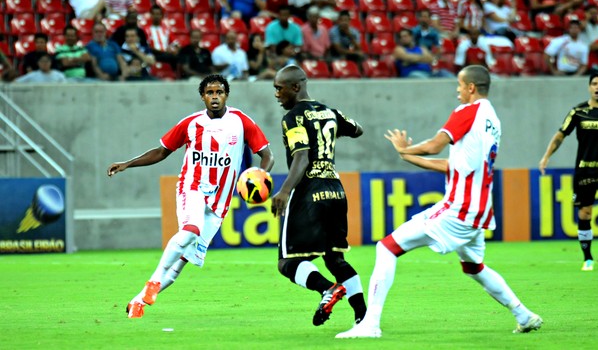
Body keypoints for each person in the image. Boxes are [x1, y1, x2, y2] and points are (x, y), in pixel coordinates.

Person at [336, 65, 543, 339]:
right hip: (479, 210)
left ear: (471, 87)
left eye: (459, 84)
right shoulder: (492, 119)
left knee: (386, 248)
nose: (457, 90)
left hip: (457, 209)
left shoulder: (467, 112)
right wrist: (409, 157)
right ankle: (523, 315)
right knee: (474, 267)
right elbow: (453, 163)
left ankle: (370, 324)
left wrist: (405, 148)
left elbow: (435, 145)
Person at [108, 74, 275, 319]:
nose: (215, 96)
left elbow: (268, 155)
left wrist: (260, 174)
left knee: (183, 261)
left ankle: (138, 301)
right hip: (192, 187)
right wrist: (128, 163)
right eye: (210, 92)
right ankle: (154, 281)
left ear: (226, 94)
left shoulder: (241, 121)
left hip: (220, 202)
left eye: (219, 92)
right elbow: (161, 151)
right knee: (191, 229)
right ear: (202, 96)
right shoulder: (190, 123)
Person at [270, 64, 367, 328]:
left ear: (296, 87)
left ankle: (327, 289)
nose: (277, 94)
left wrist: (285, 190)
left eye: (280, 88)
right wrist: (331, 126)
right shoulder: (329, 112)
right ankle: (363, 316)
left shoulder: (293, 118)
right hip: (335, 190)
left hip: (309, 193)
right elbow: (357, 129)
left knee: (287, 263)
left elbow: (301, 157)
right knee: (335, 259)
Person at [539, 73, 598, 271]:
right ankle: (588, 257)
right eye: (594, 83)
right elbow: (560, 135)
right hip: (584, 171)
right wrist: (546, 156)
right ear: (589, 87)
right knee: (585, 213)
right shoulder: (578, 112)